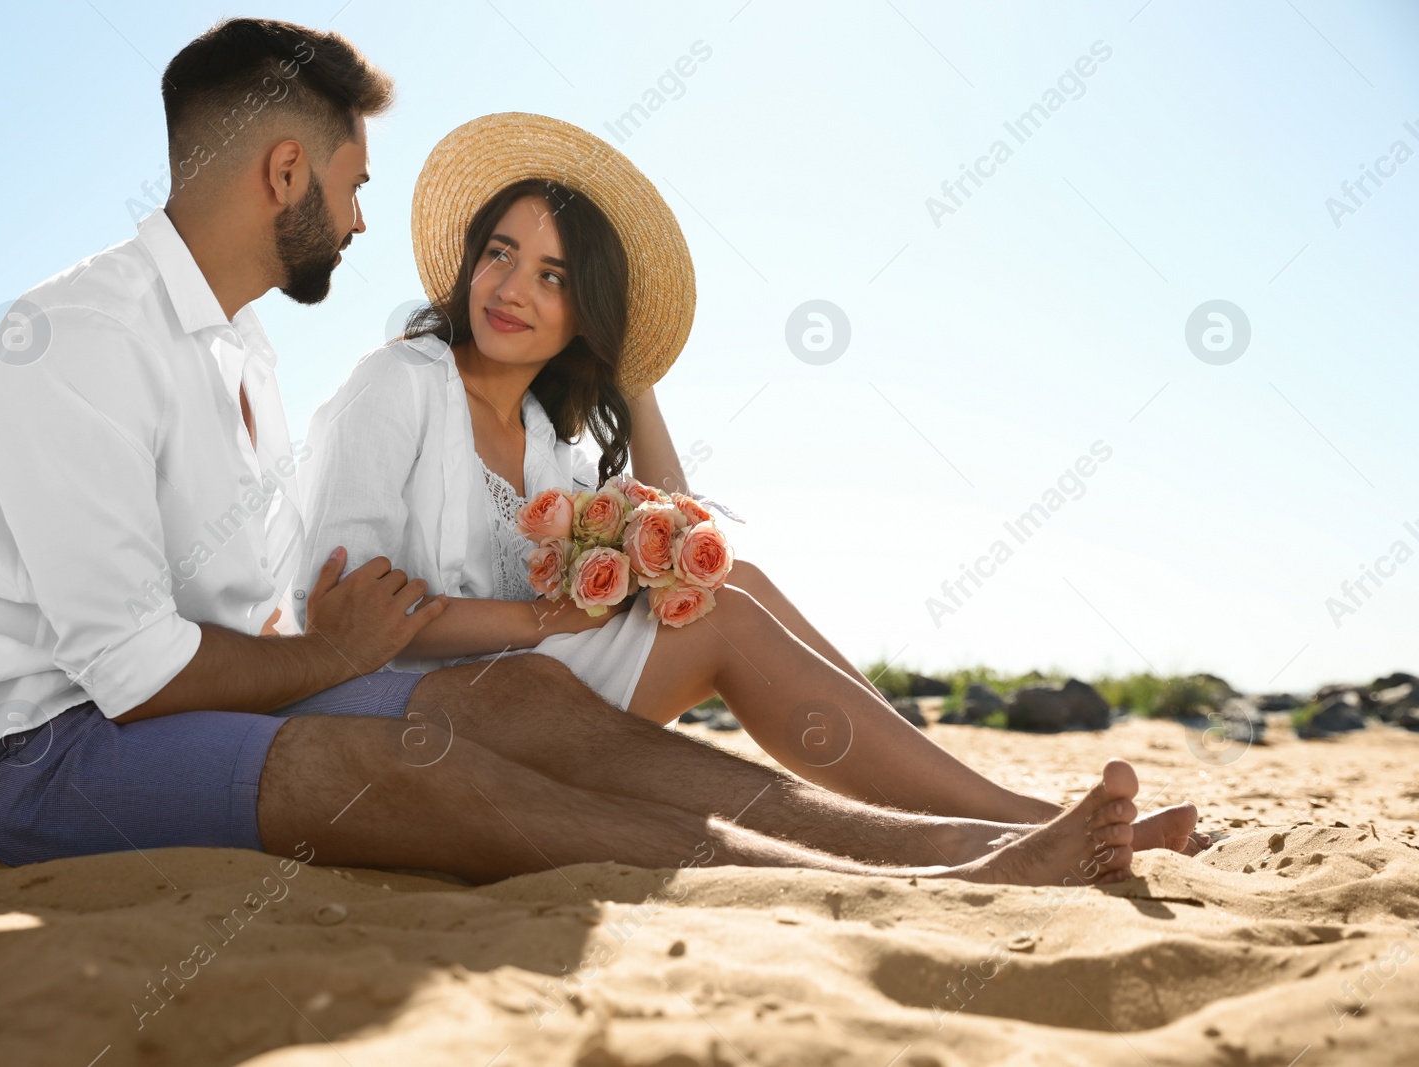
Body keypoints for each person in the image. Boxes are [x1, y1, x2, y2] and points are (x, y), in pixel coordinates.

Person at [0, 17, 1160, 891]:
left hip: (227, 699)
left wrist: (344, 651)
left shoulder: (240, 355)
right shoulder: (75, 342)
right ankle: (925, 877)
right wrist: (333, 654)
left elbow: (279, 621)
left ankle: (951, 848)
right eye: (348, 185)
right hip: (33, 755)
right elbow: (129, 671)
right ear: (283, 169)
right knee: (398, 757)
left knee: (522, 697)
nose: (355, 217)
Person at [294, 113, 1206, 853]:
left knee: (729, 585)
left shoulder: (539, 435)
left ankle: (1000, 812)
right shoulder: (401, 383)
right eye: (499, 253)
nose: (511, 288)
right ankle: (1007, 819)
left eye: (554, 276)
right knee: (721, 608)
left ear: (585, 313)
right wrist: (544, 620)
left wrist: (633, 374)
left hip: (535, 683)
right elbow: (338, 608)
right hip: (410, 699)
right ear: (468, 261)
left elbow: (679, 543)